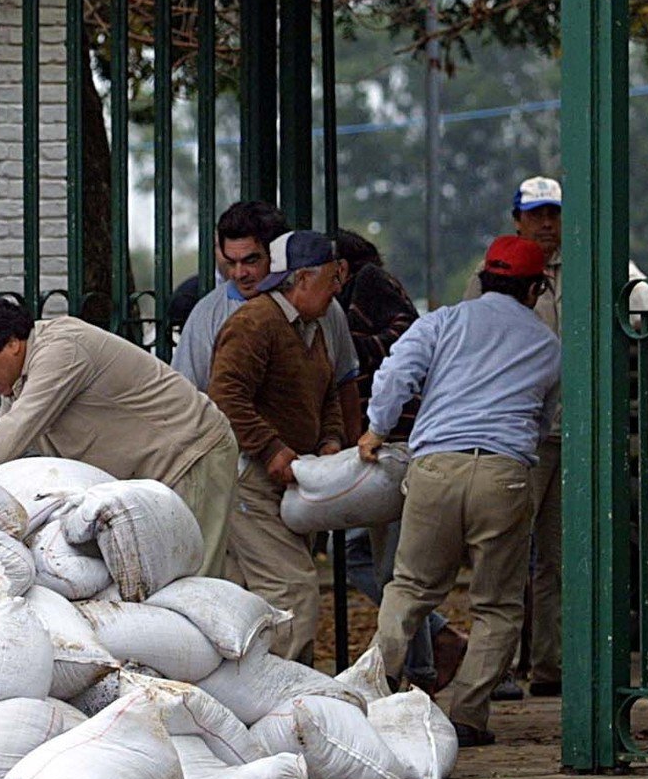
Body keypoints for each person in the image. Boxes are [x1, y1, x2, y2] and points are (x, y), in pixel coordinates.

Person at [360, 235, 561, 746]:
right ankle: (468, 716)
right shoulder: (547, 344)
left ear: (483, 275)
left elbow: (395, 375)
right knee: (496, 605)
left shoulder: (444, 321)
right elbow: (548, 418)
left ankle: (374, 692)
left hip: (435, 467)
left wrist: (376, 429)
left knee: (409, 588)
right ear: (537, 287)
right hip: (505, 473)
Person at [465, 174, 648, 700]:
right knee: (503, 553)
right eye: (537, 215)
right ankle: (497, 668)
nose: (547, 224)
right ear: (518, 220)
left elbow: (640, 312)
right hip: (516, 430)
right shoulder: (496, 275)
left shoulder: (590, 268)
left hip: (570, 427)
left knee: (557, 554)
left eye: (554, 214)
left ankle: (550, 663)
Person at [0, 298, 239, 577]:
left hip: (189, 456)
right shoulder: (18, 379)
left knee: (192, 580)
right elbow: (6, 437)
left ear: (12, 344)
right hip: (150, 478)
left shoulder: (62, 349)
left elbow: (16, 430)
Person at [332, 229, 466, 693]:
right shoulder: (367, 288)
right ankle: (435, 644)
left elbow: (403, 342)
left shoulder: (369, 284)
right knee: (384, 564)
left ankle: (424, 665)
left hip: (391, 437)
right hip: (383, 435)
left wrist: (346, 351)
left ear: (342, 268)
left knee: (392, 568)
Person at [208, 230, 347, 663]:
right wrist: (270, 450)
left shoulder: (312, 327)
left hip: (288, 482)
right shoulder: (255, 323)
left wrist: (330, 439)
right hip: (251, 480)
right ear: (302, 279)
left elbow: (327, 395)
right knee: (294, 591)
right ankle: (286, 699)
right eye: (330, 278)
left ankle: (257, 695)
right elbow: (225, 397)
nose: (337, 288)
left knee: (252, 596)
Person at [173, 201, 363, 443]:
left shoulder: (323, 307)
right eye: (231, 263)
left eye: (251, 261)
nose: (239, 274)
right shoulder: (208, 315)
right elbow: (192, 398)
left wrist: (342, 449)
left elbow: (342, 386)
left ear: (276, 257)